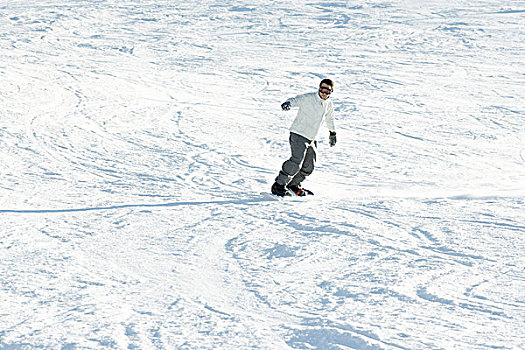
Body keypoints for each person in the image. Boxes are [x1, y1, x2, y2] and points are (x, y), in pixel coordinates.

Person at [271, 78, 337, 197]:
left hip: (312, 138)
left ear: (331, 92)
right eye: (322, 89)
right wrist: (288, 103)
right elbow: (296, 100)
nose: (323, 92)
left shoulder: (329, 105)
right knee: (296, 161)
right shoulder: (309, 98)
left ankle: (293, 185)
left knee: (309, 166)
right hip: (299, 134)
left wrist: (332, 133)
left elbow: (330, 119)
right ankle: (279, 186)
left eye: (327, 90)